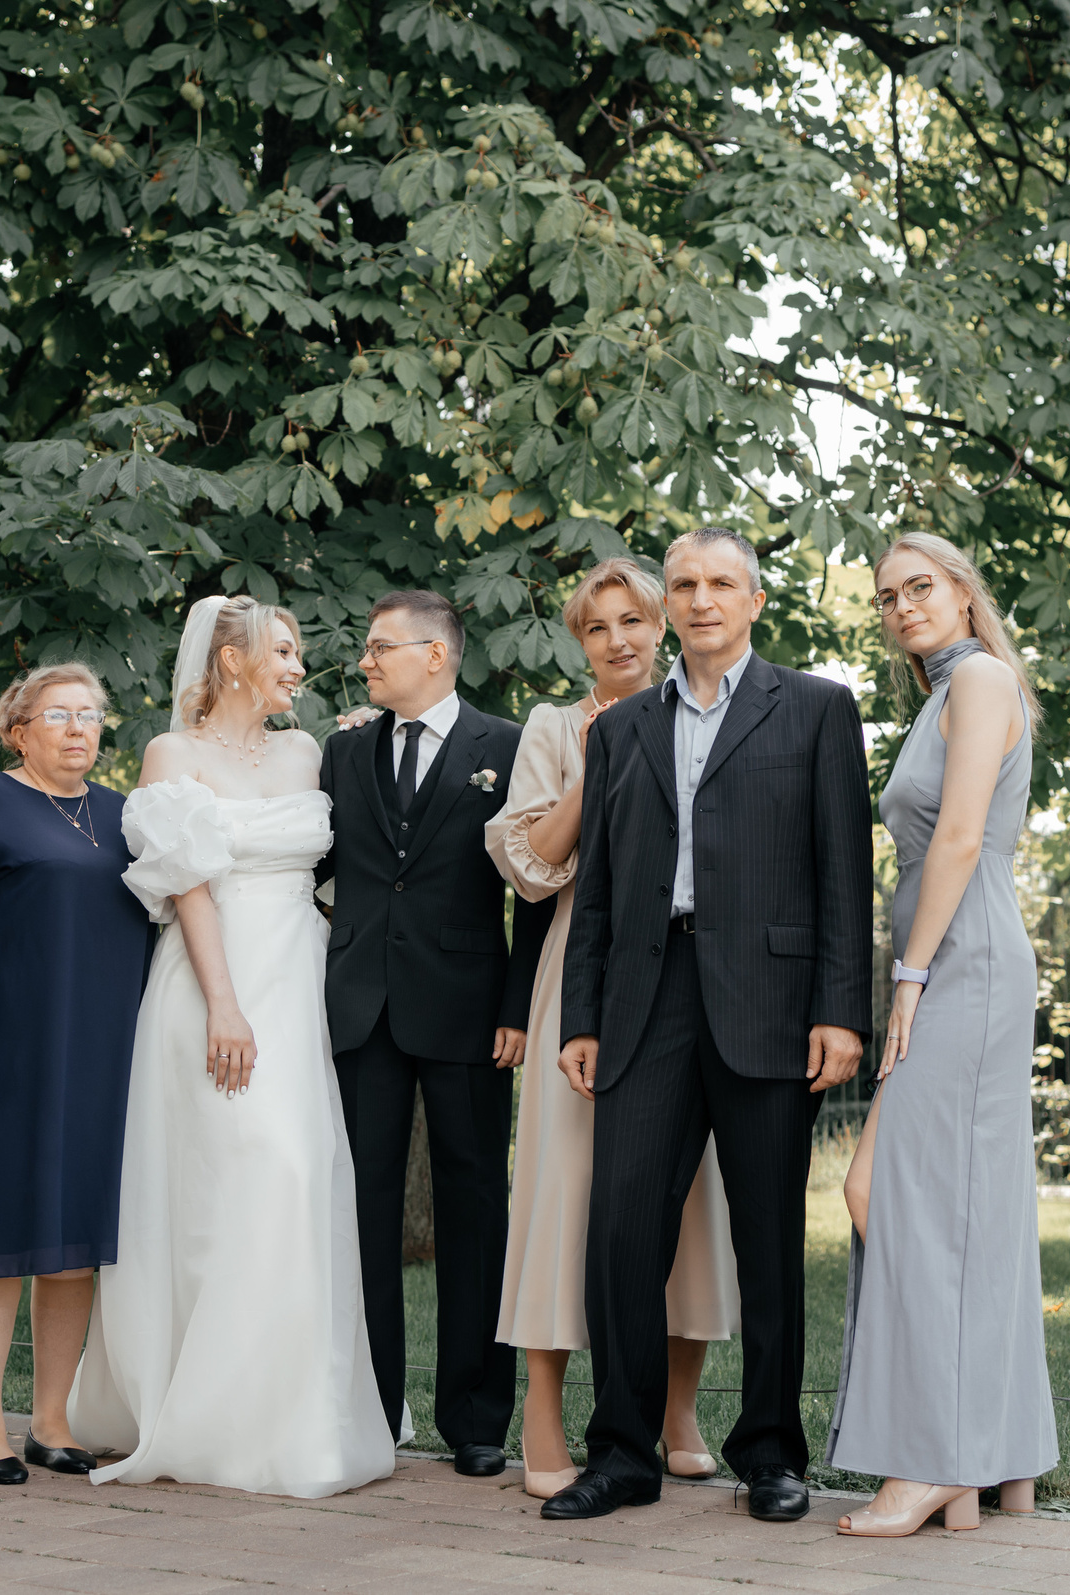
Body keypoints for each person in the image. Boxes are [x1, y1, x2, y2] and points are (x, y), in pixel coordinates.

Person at [545, 526, 873, 1524]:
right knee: (620, 1233)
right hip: (647, 1000)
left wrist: (839, 1011)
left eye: (719, 583)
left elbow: (842, 876)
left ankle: (770, 1453)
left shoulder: (815, 709)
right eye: (682, 584)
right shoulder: (626, 726)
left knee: (769, 1238)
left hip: (771, 1004)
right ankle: (622, 1453)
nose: (699, 600)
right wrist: (582, 1013)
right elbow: (596, 882)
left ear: (754, 601)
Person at [69, 596, 395, 1497]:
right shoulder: (174, 754)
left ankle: (292, 1410)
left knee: (299, 1172)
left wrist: (372, 730)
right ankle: (200, 1406)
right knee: (222, 1178)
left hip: (298, 980)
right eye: (283, 651)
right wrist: (224, 1003)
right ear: (231, 659)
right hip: (213, 981)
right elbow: (190, 884)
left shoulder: (307, 751)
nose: (299, 665)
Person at [484, 557, 738, 1499]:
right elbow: (531, 868)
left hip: (690, 979)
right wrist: (594, 770)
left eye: (634, 619)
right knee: (563, 1191)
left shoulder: (706, 713)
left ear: (663, 624)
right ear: (578, 640)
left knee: (687, 1199)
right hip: (579, 977)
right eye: (599, 627)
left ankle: (676, 1408)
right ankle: (543, 1416)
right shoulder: (552, 728)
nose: (620, 639)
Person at [829, 530, 1058, 1536]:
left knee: (896, 1195)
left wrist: (909, 979)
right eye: (885, 597)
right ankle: (993, 1459)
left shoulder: (982, 685)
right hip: (949, 960)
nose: (902, 607)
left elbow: (960, 836)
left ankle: (933, 1461)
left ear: (964, 593)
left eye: (919, 588)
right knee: (962, 1207)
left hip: (961, 963)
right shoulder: (942, 694)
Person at [319, 589, 528, 1476]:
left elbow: (537, 888)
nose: (365, 661)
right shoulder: (343, 747)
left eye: (379, 647)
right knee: (358, 1209)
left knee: (476, 1205)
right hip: (362, 1005)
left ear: (435, 654)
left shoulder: (507, 746)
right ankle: (375, 1407)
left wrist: (518, 1005)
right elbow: (315, 863)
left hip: (472, 1009)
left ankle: (477, 1417)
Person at [0, 663, 147, 1485]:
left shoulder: (124, 815)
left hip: (102, 1052)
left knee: (74, 1245)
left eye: (91, 713)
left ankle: (51, 1421)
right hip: (4, 1051)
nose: (79, 727)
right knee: (0, 1241)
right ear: (19, 729)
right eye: (59, 713)